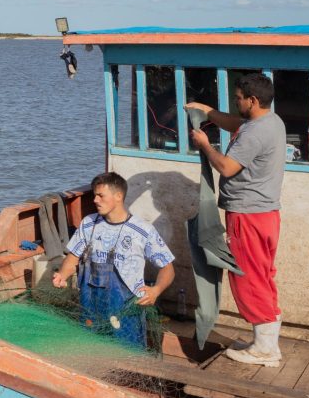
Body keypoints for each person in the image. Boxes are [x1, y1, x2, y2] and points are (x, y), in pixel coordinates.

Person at [185, 73, 286, 367]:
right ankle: (265, 342)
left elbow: (227, 168)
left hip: (247, 216)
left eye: (239, 98)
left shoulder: (254, 133)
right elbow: (234, 123)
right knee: (263, 275)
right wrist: (207, 111)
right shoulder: (271, 122)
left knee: (247, 278)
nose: (236, 102)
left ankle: (265, 350)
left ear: (253, 100)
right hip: (266, 214)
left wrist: (205, 144)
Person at [51, 172, 176, 348]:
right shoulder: (88, 224)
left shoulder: (142, 231)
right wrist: (62, 276)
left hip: (126, 311)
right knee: (91, 350)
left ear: (118, 196)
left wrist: (155, 290)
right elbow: (72, 259)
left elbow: (168, 268)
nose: (95, 200)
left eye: (101, 195)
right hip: (91, 307)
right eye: (95, 195)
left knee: (128, 354)